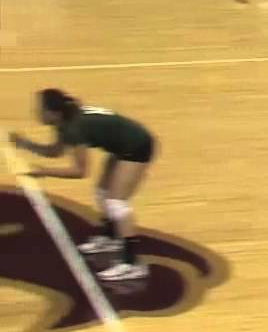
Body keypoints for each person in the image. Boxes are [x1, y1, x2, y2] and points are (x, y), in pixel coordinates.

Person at [8, 90, 157, 281]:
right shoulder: (65, 122)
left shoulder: (74, 128)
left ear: (55, 113)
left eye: (42, 109)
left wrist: (45, 172)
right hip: (123, 145)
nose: (37, 112)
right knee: (102, 192)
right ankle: (111, 238)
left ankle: (132, 264)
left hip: (137, 146)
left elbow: (80, 171)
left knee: (116, 202)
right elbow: (55, 152)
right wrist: (26, 145)